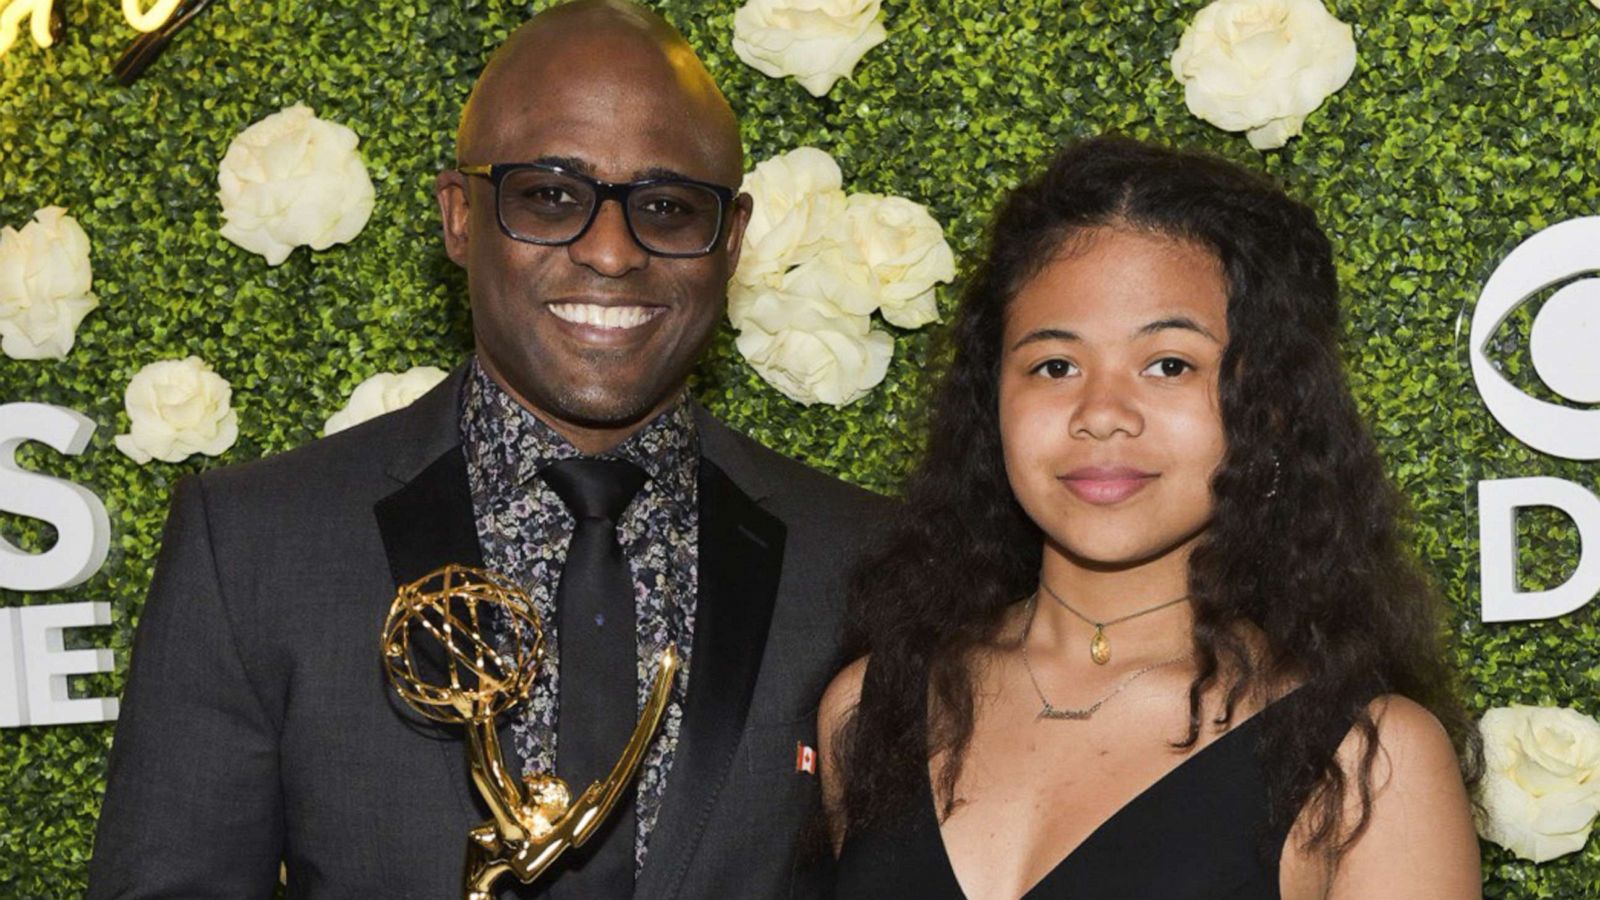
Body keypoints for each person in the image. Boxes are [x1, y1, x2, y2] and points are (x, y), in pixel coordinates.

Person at [87, 2, 890, 897]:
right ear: (459, 215)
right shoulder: (254, 548)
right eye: (550, 195)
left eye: (667, 207)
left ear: (730, 241)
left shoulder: (866, 559)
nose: (614, 252)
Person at [819, 136, 1482, 899]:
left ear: (1263, 408)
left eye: (1169, 364)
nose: (1102, 414)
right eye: (1054, 366)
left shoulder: (1367, 761)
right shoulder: (871, 707)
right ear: (991, 402)